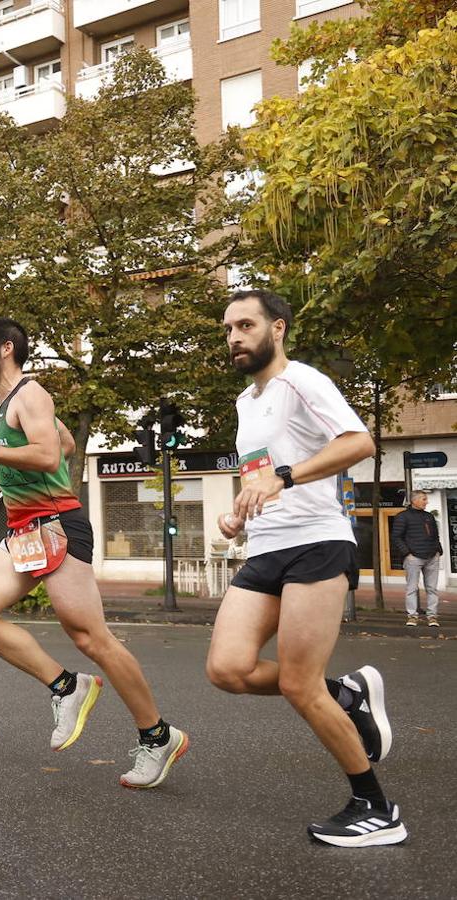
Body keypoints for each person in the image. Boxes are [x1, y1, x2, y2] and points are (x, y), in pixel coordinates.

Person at [0, 316, 188, 789]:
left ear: (5, 349)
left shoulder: (31, 394)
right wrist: (9, 472)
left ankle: (159, 736)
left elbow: (47, 454)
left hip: (58, 525)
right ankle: (67, 686)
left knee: (91, 638)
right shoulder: (9, 406)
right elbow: (61, 441)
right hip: (24, 529)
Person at [207, 289, 404, 847]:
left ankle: (376, 808)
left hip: (317, 544)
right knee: (227, 669)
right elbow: (259, 475)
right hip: (265, 546)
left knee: (297, 683)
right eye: (227, 329)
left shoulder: (304, 381)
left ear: (279, 329)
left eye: (246, 325)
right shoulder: (248, 402)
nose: (234, 337)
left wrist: (286, 478)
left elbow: (359, 442)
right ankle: (347, 695)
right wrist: (239, 516)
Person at [394, 490, 442, 627]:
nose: (426, 502)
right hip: (413, 557)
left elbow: (435, 535)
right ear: (414, 501)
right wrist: (407, 554)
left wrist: (438, 550)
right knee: (412, 588)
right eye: (424, 499)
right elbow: (396, 537)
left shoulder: (429, 517)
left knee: (432, 588)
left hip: (432, 556)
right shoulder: (402, 517)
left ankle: (432, 616)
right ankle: (412, 616)